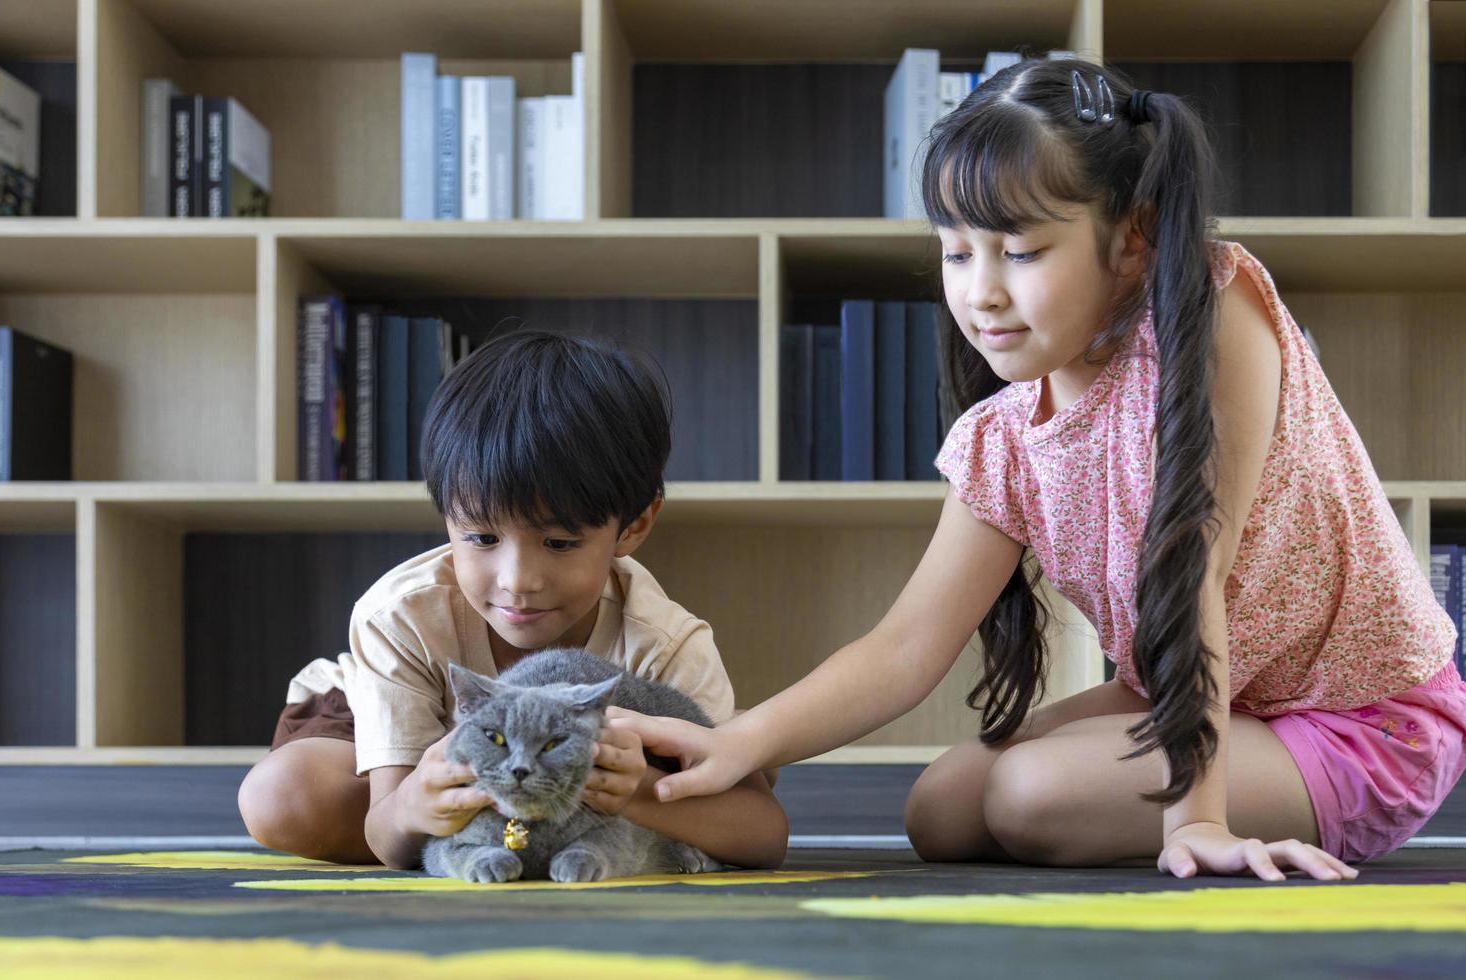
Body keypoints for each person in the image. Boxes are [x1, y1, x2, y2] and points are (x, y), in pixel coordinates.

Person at [611, 60, 1466, 881]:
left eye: (1018, 251)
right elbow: (906, 647)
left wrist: (1197, 819)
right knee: (941, 809)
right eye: (955, 252)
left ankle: (1227, 794)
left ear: (1133, 239)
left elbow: (1193, 564)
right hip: (1216, 697)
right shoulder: (1004, 438)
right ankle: (1198, 781)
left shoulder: (1208, 314)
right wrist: (740, 740)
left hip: (1361, 723)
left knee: (1030, 796)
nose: (979, 291)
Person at [238, 330, 787, 870]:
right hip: (380, 729)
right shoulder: (401, 617)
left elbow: (763, 834)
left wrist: (633, 790)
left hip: (557, 775)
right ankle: (501, 835)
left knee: (720, 764)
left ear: (634, 525)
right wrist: (412, 805)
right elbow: (387, 835)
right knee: (283, 796)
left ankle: (564, 820)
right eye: (481, 539)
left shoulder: (664, 644)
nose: (518, 580)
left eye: (559, 543)